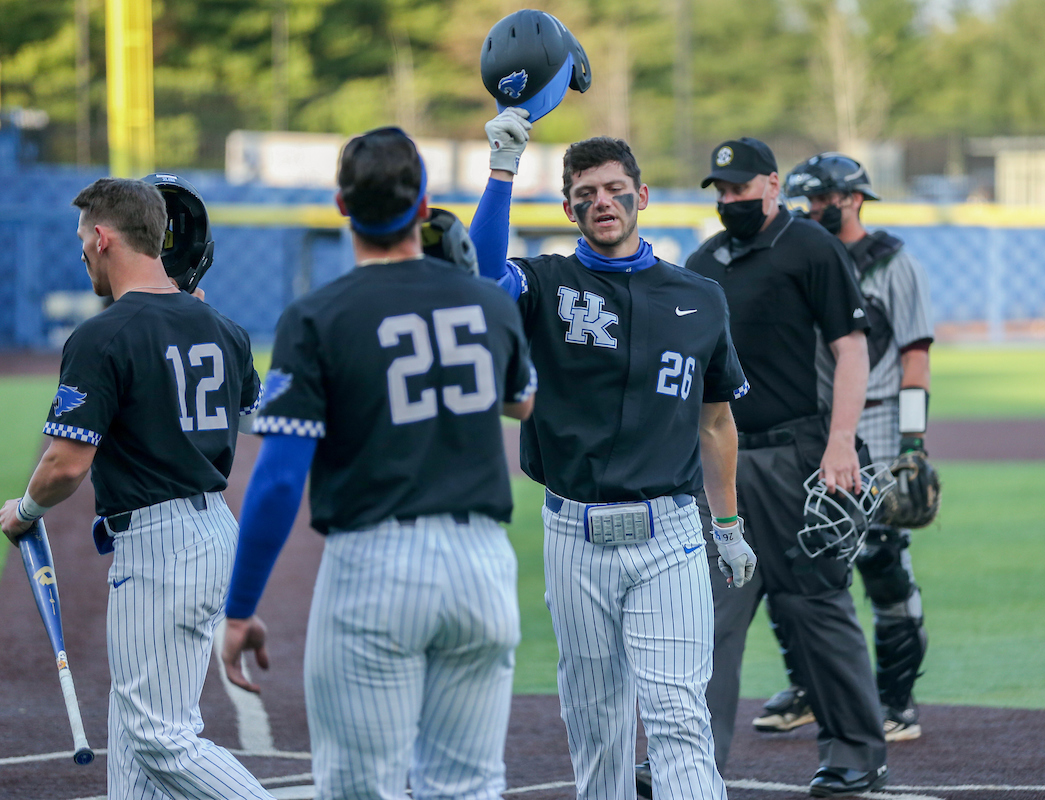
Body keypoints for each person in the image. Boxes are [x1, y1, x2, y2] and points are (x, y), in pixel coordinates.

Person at [218, 127, 536, 799]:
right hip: (482, 568)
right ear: (424, 207)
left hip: (376, 569)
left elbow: (278, 480)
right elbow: (522, 405)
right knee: (470, 788)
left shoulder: (317, 317)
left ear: (340, 204)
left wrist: (241, 606)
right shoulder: (488, 302)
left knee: (363, 789)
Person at [469, 109, 755, 800]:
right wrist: (502, 168)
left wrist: (729, 526)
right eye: (585, 193)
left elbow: (716, 422)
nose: (602, 201)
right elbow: (478, 277)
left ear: (642, 197)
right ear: (568, 208)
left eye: (614, 188)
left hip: (670, 535)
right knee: (594, 727)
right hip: (574, 532)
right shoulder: (544, 283)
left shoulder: (700, 297)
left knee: (678, 719)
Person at [0, 177, 272, 799]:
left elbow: (67, 464)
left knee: (158, 735)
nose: (82, 253)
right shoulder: (224, 327)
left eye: (82, 239)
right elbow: (248, 403)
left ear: (103, 237)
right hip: (205, 529)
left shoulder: (103, 334)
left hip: (162, 547)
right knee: (132, 734)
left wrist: (26, 509)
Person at [681, 137, 889, 798]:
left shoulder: (811, 247)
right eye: (721, 189)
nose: (730, 199)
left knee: (815, 606)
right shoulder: (702, 262)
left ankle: (855, 753)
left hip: (798, 452)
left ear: (773, 185)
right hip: (720, 460)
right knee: (709, 617)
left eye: (741, 187)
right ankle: (688, 759)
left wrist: (841, 442)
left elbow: (851, 349)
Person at [777, 152, 934, 741]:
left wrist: (913, 444)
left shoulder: (894, 263)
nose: (814, 209)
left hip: (881, 423)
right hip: (814, 427)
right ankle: (809, 688)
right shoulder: (802, 258)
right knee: (799, 557)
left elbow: (916, 354)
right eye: (808, 200)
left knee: (883, 561)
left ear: (855, 198)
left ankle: (896, 701)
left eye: (824, 199)